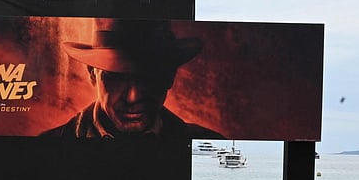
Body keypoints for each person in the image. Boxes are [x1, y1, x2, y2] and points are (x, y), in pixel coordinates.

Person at [41, 19, 223, 139]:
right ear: (92, 74)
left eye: (148, 78)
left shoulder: (208, 146)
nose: (132, 98)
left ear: (169, 76)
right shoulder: (49, 146)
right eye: (115, 78)